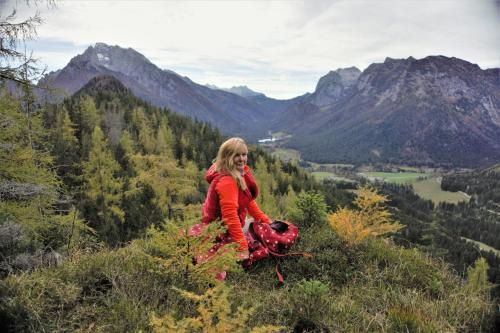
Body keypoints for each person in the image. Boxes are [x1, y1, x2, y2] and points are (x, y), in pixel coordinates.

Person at [201, 137, 272, 259]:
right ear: (227, 157)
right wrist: (243, 248)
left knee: (264, 228)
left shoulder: (235, 173)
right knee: (263, 241)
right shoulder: (227, 180)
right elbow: (230, 216)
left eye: (244, 154)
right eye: (236, 155)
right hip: (218, 232)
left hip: (227, 228)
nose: (242, 159)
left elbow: (248, 201)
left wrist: (267, 221)